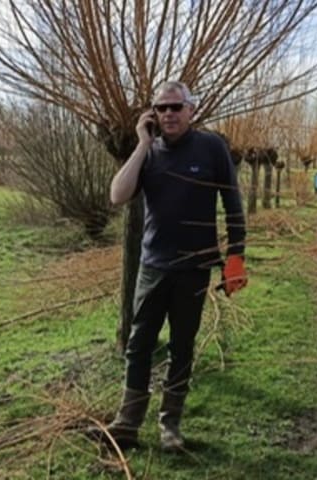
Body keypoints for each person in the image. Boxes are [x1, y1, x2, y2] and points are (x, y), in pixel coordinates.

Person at [102, 81, 247, 451]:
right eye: (161, 108)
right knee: (139, 345)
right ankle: (127, 423)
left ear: (191, 110)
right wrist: (141, 143)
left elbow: (232, 204)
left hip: (194, 268)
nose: (168, 114)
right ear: (153, 114)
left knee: (182, 347)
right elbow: (118, 196)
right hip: (152, 267)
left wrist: (235, 258)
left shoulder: (212, 147)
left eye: (175, 107)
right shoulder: (148, 153)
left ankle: (170, 426)